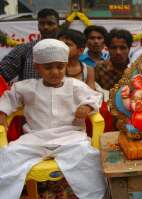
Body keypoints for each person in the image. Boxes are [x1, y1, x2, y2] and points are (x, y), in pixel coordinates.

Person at [0, 39, 107, 199]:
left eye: (60, 67)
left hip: (70, 138)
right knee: (8, 157)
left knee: (89, 158)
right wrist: (2, 112)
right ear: (37, 68)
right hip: (35, 138)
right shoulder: (27, 87)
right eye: (48, 67)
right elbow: (9, 98)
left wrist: (87, 107)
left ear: (65, 65)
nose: (55, 72)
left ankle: (96, 196)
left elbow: (95, 97)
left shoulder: (75, 85)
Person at [0, 8, 60, 82]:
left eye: (50, 23)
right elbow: (2, 75)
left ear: (58, 25)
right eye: (42, 23)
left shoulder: (68, 49)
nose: (45, 27)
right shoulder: (24, 50)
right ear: (38, 26)